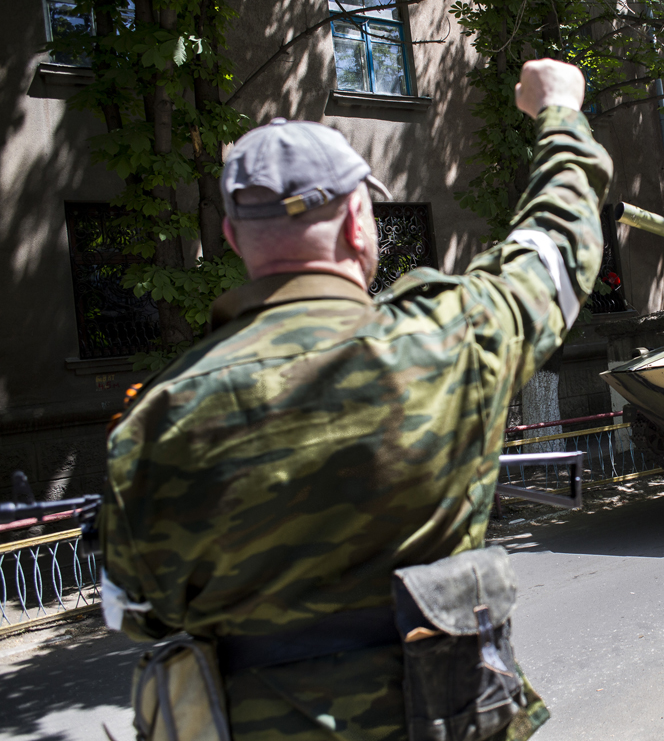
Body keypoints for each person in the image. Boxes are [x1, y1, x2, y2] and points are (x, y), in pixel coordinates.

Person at [99, 59, 610, 741]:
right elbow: (556, 246)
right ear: (357, 223)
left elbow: (133, 611)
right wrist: (559, 113)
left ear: (232, 238)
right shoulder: (449, 339)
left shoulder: (159, 417)